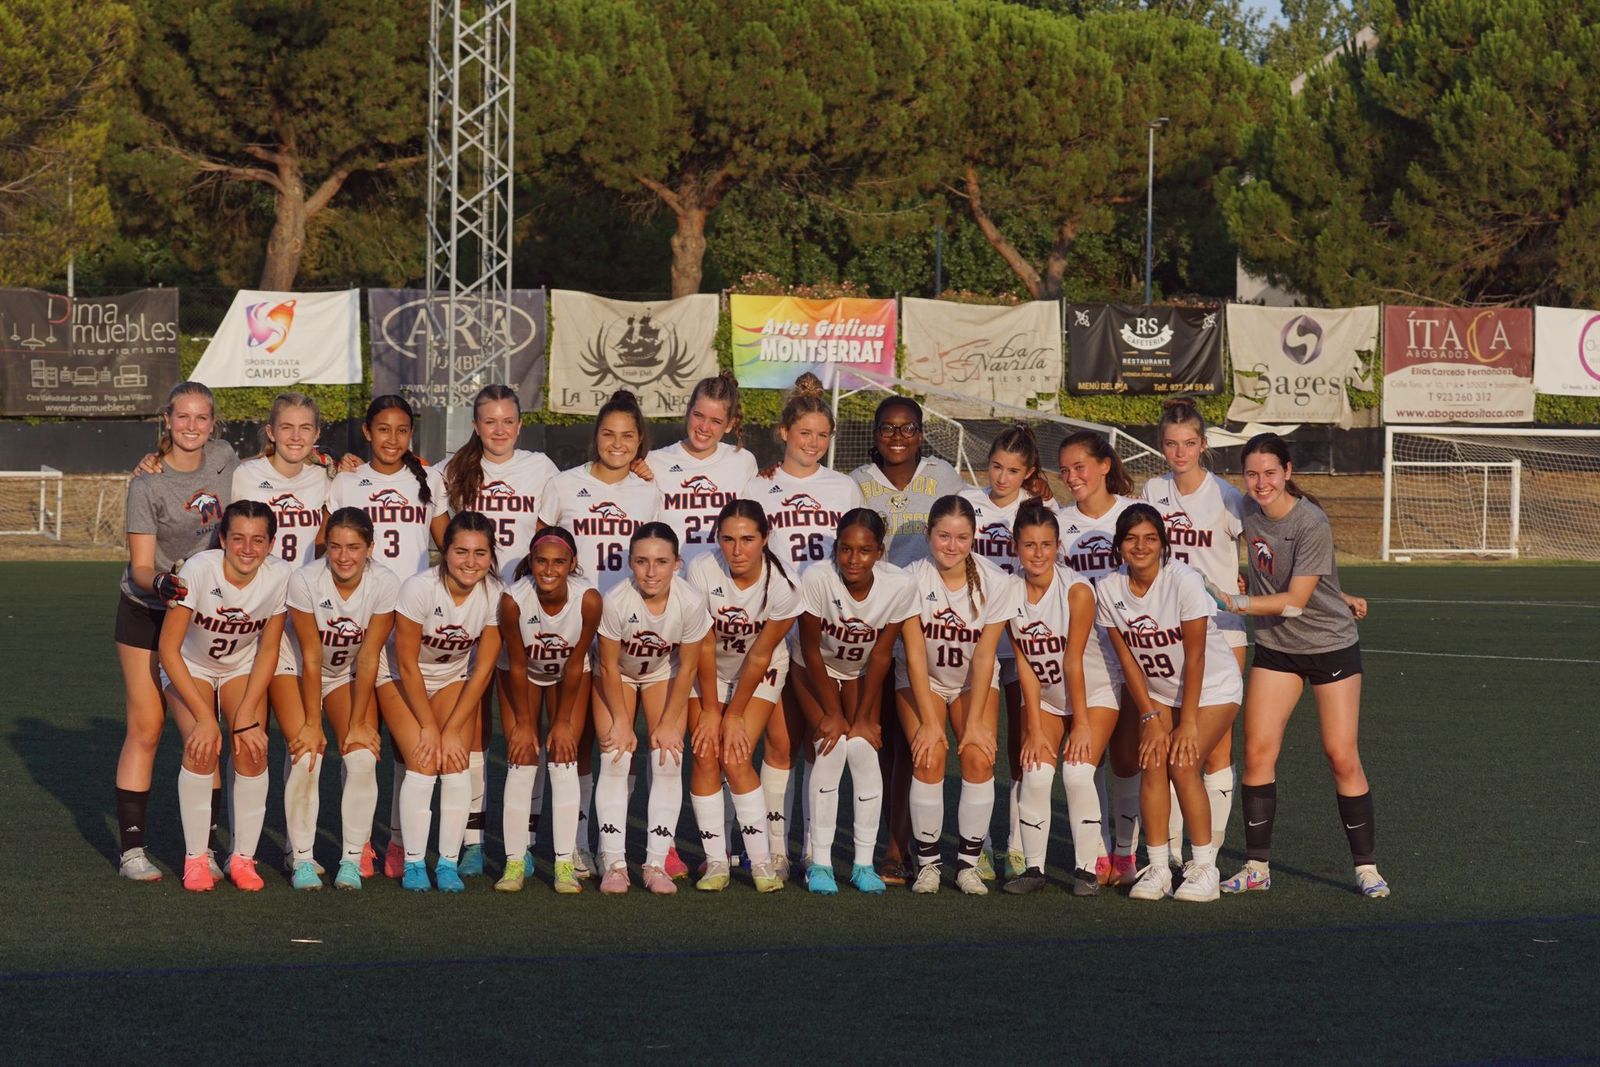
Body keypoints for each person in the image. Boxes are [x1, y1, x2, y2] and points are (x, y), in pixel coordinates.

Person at [1210, 433, 1389, 898]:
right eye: (1252, 473)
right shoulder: (1246, 510)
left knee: (1340, 755)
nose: (1261, 482)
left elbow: (1294, 602)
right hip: (1277, 649)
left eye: (1270, 472)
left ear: (1288, 472)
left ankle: (1366, 868)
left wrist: (1237, 602)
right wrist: (1340, 594)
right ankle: (1256, 868)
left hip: (1329, 646)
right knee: (1258, 753)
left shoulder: (1311, 520)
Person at [114, 380, 238, 882]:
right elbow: (141, 566)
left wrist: (330, 457)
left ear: (213, 424)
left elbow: (286, 455)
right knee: (147, 728)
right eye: (182, 417)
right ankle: (132, 853)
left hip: (200, 616)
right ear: (167, 419)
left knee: (201, 733)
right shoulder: (146, 482)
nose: (191, 426)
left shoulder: (226, 458)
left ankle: (201, 849)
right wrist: (166, 582)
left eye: (200, 418)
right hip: (147, 609)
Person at [536, 388, 663, 877]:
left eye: (627, 436)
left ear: (640, 442)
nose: (617, 443)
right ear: (595, 437)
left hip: (626, 629)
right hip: (572, 624)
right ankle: (574, 844)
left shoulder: (649, 489)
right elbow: (543, 547)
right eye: (608, 433)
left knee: (616, 741)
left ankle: (605, 841)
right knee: (575, 737)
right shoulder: (564, 484)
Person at [741, 372, 864, 874]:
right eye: (803, 432)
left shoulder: (844, 487)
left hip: (824, 630)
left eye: (821, 434)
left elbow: (856, 558)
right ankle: (771, 848)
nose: (812, 443)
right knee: (777, 741)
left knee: (821, 738)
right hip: (770, 628)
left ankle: (815, 846)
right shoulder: (758, 484)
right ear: (785, 433)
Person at [1097, 504, 1242, 903]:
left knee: (1183, 761)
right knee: (1153, 759)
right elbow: (1127, 657)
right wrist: (1149, 715)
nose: (1140, 546)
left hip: (1212, 686)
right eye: (1131, 539)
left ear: (1163, 544)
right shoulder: (1108, 589)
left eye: (1150, 538)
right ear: (1119, 546)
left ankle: (1204, 867)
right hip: (1159, 692)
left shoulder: (1183, 581)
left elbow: (1195, 656)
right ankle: (1159, 865)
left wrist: (1189, 722)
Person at [443, 384, 560, 879]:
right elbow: (435, 523)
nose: (498, 429)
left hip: (520, 608)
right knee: (471, 730)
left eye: (507, 421)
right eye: (489, 421)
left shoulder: (542, 469)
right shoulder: (450, 469)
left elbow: (548, 537)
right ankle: (472, 838)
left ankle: (523, 840)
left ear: (520, 424)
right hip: (470, 606)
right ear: (475, 425)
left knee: (520, 727)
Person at [329, 395, 447, 879]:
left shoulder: (428, 479)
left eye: (401, 430)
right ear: (366, 430)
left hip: (408, 625)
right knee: (358, 739)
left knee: (404, 743)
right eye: (383, 429)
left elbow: (449, 538)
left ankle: (398, 842)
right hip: (357, 619)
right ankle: (355, 844)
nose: (392, 439)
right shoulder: (348, 480)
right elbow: (329, 543)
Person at [850, 395, 966, 884]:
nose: (897, 437)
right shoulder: (855, 483)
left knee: (910, 743)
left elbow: (967, 528)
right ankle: (884, 841)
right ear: (874, 434)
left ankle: (904, 847)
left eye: (907, 428)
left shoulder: (945, 477)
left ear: (921, 433)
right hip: (872, 624)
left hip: (926, 626)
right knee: (878, 744)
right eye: (887, 429)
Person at [160, 500, 292, 891]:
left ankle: (242, 858)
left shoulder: (279, 575)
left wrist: (248, 715)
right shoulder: (200, 569)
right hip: (190, 665)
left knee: (252, 748)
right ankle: (197, 858)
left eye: (258, 540)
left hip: (241, 666)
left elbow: (269, 648)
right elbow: (168, 649)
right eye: (238, 538)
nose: (247, 549)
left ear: (271, 543)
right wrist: (204, 716)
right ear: (222, 539)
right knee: (202, 747)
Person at [271, 507, 399, 890]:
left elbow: (369, 655)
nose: (344, 556)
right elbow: (310, 654)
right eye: (336, 547)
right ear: (325, 545)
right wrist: (313, 722)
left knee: (361, 755)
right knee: (306, 754)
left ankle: (350, 858)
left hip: (346, 673)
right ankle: (302, 858)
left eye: (354, 547)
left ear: (370, 548)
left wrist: (360, 722)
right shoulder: (306, 579)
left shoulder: (386, 582)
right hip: (293, 667)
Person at [793, 508, 919, 896]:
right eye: (845, 549)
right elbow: (812, 651)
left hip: (861, 673)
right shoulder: (817, 577)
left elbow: (882, 655)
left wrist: (864, 716)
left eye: (864, 550)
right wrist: (832, 712)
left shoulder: (898, 585)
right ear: (836, 548)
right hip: (813, 670)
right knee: (830, 750)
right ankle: (821, 863)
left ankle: (864, 864)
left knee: (863, 749)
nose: (853, 559)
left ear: (879, 552)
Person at [377, 511, 503, 892]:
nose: (470, 562)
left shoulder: (494, 594)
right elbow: (407, 661)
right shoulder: (419, 588)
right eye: (461, 551)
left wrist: (451, 729)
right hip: (399, 676)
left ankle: (447, 861)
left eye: (480, 553)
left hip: (451, 678)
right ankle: (414, 861)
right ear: (444, 551)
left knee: (455, 758)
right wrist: (431, 728)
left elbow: (482, 670)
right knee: (422, 756)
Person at [898, 495, 1017, 895]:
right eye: (943, 536)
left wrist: (975, 723)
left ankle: (968, 863)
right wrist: (932, 723)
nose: (952, 546)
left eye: (962, 537)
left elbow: (985, 657)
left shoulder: (996, 582)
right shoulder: (911, 577)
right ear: (928, 533)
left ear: (973, 537)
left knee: (978, 756)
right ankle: (928, 863)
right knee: (929, 753)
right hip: (923, 678)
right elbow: (914, 653)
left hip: (971, 682)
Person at [684, 499, 803, 893]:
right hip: (709, 670)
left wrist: (731, 715)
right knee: (704, 754)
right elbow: (703, 643)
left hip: (760, 671)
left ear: (765, 538)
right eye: (728, 539)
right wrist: (711, 710)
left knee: (735, 755)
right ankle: (717, 861)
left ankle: (761, 861)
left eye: (748, 539)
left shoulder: (783, 586)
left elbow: (760, 654)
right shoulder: (701, 568)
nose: (737, 549)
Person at [1000, 502, 1117, 897]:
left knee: (1078, 772)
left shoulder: (1077, 590)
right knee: (1034, 770)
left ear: (1057, 546)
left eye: (1046, 545)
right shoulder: (1009, 591)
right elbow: (1025, 662)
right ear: (1016, 546)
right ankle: (1034, 868)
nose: (1038, 553)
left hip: (1095, 690)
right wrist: (1034, 728)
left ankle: (1086, 870)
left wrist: (1081, 722)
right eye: (1029, 544)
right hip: (1048, 694)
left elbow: (1074, 659)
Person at [592, 523, 714, 895]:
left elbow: (689, 666)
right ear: (630, 562)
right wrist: (622, 721)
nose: (651, 571)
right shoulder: (614, 600)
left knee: (667, 756)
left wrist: (668, 723)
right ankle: (613, 861)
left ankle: (656, 863)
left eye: (661, 562)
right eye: (642, 561)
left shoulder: (691, 602)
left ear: (677, 564)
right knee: (616, 755)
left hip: (664, 673)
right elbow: (610, 667)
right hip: (618, 677)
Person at [961, 425, 1052, 879]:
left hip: (1021, 638)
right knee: (978, 743)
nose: (1002, 476)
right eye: (996, 466)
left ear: (1029, 472)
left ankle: (1016, 843)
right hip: (972, 637)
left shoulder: (1039, 510)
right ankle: (979, 843)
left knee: (1021, 744)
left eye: (1013, 470)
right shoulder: (967, 503)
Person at [1055, 429, 1141, 885]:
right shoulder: (1059, 521)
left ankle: (1126, 855)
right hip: (1087, 657)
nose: (1071, 477)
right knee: (1091, 757)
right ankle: (1098, 854)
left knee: (1128, 758)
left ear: (1105, 465)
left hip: (1137, 651)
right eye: (1064, 469)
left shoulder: (1134, 516)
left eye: (1080, 467)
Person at [496, 526, 601, 893]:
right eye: (541, 560)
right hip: (522, 673)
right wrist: (526, 724)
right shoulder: (513, 599)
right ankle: (513, 862)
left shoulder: (588, 598)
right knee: (522, 757)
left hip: (569, 676)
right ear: (531, 561)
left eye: (559, 561)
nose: (549, 569)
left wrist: (561, 722)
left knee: (563, 756)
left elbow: (575, 663)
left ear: (572, 563)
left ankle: (563, 864)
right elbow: (519, 663)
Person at [644, 372, 758, 567]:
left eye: (716, 421)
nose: (704, 427)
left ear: (730, 425)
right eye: (698, 415)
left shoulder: (743, 461)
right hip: (674, 582)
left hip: (724, 579)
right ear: (688, 411)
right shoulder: (654, 461)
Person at [231, 391, 333, 567]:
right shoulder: (243, 475)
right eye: (286, 427)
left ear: (316, 434)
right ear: (271, 432)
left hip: (303, 590)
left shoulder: (324, 477)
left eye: (305, 428)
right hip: (257, 589)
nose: (296, 436)